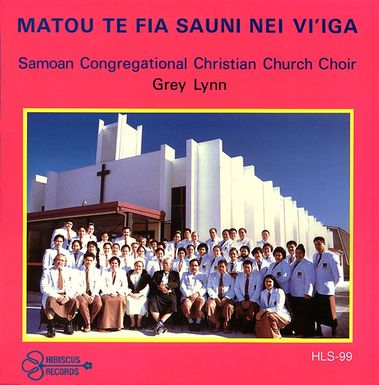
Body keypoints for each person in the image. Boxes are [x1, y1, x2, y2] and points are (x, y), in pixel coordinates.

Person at [40, 253, 78, 337]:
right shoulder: (47, 272)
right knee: (51, 301)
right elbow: (43, 287)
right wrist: (57, 296)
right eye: (58, 260)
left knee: (74, 301)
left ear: (65, 262)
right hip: (53, 295)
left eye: (62, 260)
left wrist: (68, 296)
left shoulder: (70, 272)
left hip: (66, 295)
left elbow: (75, 286)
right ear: (54, 261)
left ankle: (67, 324)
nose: (60, 262)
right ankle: (51, 326)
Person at [312, 236, 342, 337]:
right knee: (318, 311)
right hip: (317, 289)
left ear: (324, 244)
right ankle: (319, 330)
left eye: (319, 244)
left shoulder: (331, 256)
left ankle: (334, 330)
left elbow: (337, 275)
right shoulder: (315, 256)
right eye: (315, 244)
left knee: (331, 312)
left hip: (328, 290)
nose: (317, 246)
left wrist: (332, 286)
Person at [289, 244, 315, 337]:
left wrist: (308, 292)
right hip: (294, 293)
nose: (298, 254)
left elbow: (310, 279)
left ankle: (307, 333)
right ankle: (299, 331)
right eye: (296, 252)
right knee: (298, 315)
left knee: (305, 315)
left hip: (303, 294)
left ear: (303, 254)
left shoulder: (308, 264)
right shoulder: (294, 263)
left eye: (300, 253)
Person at [149, 258, 180, 335]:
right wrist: (160, 287)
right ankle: (160, 325)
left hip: (169, 293)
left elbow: (176, 283)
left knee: (173, 302)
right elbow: (153, 282)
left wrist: (166, 286)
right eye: (164, 263)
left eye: (167, 263)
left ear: (170, 265)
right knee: (152, 302)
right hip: (158, 293)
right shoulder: (157, 273)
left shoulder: (175, 274)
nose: (165, 265)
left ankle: (159, 323)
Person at [98, 256, 129, 331]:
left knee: (120, 300)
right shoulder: (105, 272)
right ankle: (106, 325)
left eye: (116, 263)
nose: (114, 265)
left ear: (118, 264)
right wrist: (110, 292)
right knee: (107, 301)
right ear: (109, 263)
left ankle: (117, 325)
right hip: (107, 293)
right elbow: (102, 284)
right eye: (112, 263)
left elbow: (124, 285)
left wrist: (117, 292)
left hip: (118, 293)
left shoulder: (122, 272)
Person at [75, 252, 102, 332]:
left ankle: (88, 322)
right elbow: (76, 285)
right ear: (84, 260)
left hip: (93, 293)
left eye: (90, 260)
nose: (88, 262)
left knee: (98, 304)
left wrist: (93, 295)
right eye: (87, 260)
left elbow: (97, 285)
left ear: (93, 261)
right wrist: (84, 294)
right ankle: (88, 324)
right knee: (82, 303)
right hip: (80, 293)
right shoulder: (77, 271)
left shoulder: (97, 271)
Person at [206, 259, 235, 333]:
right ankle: (216, 323)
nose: (221, 268)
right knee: (209, 305)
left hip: (227, 297)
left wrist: (225, 298)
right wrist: (216, 298)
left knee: (230, 307)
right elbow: (209, 288)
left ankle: (226, 324)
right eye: (219, 266)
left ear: (226, 267)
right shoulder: (212, 275)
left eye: (223, 266)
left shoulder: (231, 277)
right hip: (215, 297)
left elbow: (233, 290)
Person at [234, 259, 263, 333]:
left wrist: (250, 301)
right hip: (242, 299)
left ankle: (246, 326)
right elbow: (236, 288)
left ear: (251, 268)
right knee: (238, 309)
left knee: (251, 311)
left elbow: (258, 289)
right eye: (245, 267)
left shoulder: (257, 275)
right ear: (242, 268)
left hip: (253, 300)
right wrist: (242, 300)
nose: (246, 269)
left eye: (248, 267)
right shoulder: (239, 276)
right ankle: (238, 325)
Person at [180, 259, 207, 331]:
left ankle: (198, 322)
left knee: (200, 303)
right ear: (189, 266)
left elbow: (205, 287)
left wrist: (198, 293)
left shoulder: (203, 275)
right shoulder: (185, 274)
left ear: (198, 266)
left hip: (199, 295)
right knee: (186, 304)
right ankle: (190, 322)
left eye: (196, 265)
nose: (194, 267)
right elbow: (182, 286)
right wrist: (188, 295)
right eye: (192, 265)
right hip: (188, 295)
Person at [126, 258, 151, 330]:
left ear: (143, 267)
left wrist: (140, 294)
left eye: (140, 266)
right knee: (129, 300)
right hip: (131, 294)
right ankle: (132, 321)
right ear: (134, 266)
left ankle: (139, 321)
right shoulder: (129, 274)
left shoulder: (146, 275)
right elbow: (125, 285)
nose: (138, 268)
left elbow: (147, 287)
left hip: (141, 295)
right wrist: (130, 294)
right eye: (136, 266)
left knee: (142, 301)